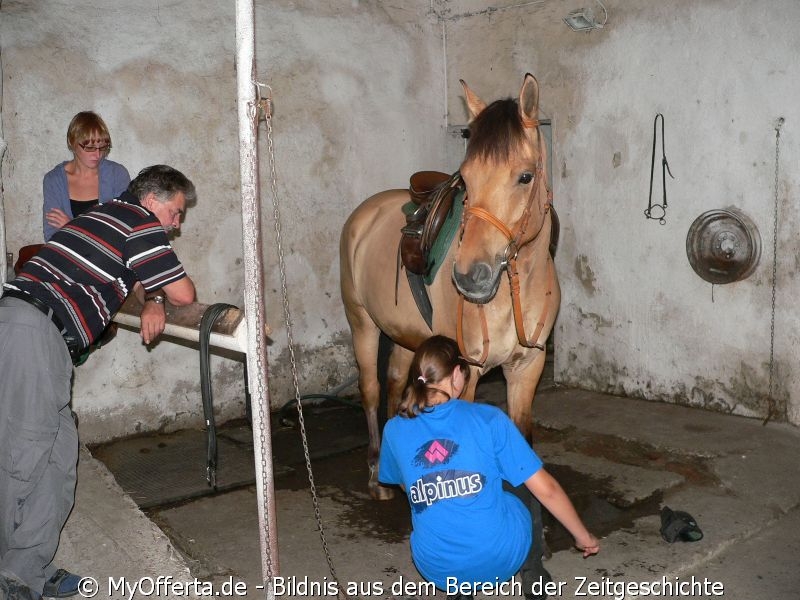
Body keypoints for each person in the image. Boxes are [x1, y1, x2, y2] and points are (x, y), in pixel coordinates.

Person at [0, 165, 197, 600]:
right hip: (33, 330)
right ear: (152, 201)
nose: (176, 224)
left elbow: (151, 286)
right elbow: (185, 293)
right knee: (23, 455)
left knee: (57, 457)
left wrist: (154, 299)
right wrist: (164, 296)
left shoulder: (104, 217)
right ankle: (10, 576)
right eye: (176, 212)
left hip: (34, 332)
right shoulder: (139, 222)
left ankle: (26, 568)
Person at [378, 335, 599, 599]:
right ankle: (533, 572)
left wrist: (441, 483)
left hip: (435, 567)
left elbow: (405, 483)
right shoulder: (488, 418)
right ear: (458, 374)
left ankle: (460, 589)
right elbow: (547, 490)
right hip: (499, 558)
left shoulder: (394, 428)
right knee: (521, 475)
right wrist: (583, 536)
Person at [42, 111, 130, 241]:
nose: (97, 154)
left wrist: (70, 225)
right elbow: (52, 235)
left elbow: (123, 230)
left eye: (102, 147)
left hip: (110, 260)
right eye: (89, 148)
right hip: (68, 258)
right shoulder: (54, 180)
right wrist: (95, 232)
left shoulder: (117, 175)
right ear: (72, 142)